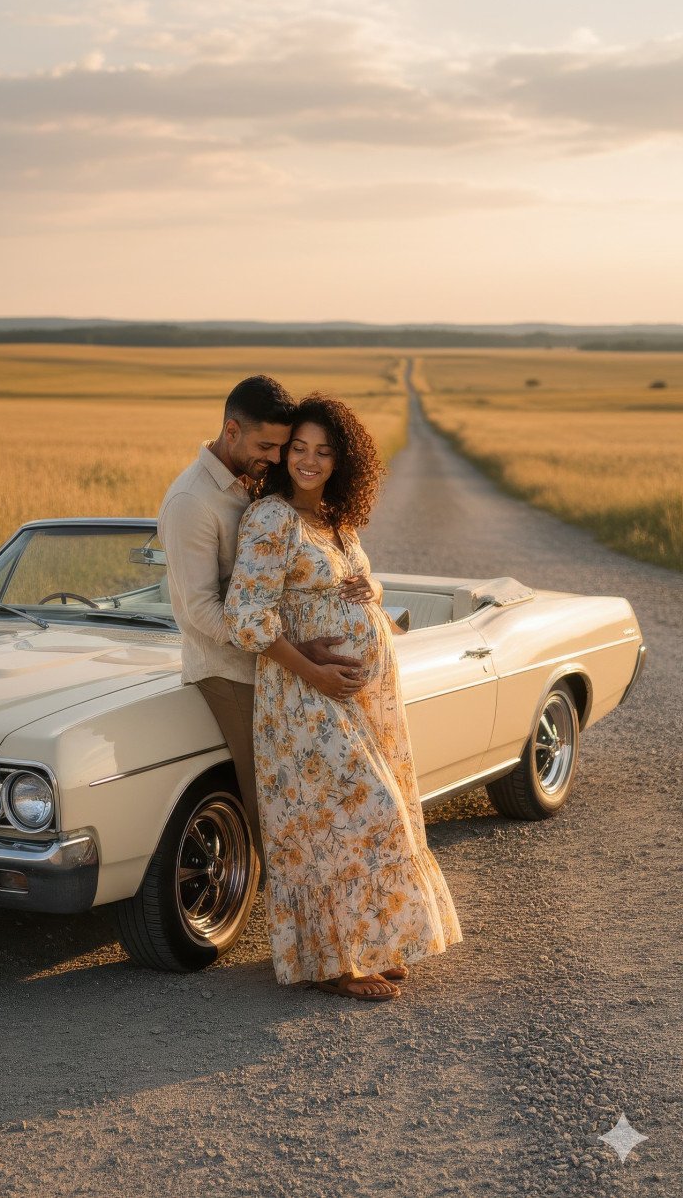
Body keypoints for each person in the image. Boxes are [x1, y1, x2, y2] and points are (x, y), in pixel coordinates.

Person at [224, 394, 464, 1001]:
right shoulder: (272, 518)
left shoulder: (335, 518)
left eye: (324, 452)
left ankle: (370, 946)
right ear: (284, 455)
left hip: (363, 700)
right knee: (363, 813)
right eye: (299, 449)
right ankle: (334, 962)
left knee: (376, 814)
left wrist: (372, 589)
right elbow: (247, 617)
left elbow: (352, 585)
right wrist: (315, 672)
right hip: (304, 697)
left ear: (343, 461)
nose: (309, 461)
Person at [158, 376, 381, 886]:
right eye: (268, 446)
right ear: (231, 431)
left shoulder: (249, 483)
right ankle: (286, 908)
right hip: (232, 672)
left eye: (284, 447)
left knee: (308, 795)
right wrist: (290, 648)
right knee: (270, 801)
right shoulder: (192, 501)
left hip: (283, 667)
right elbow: (199, 610)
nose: (277, 458)